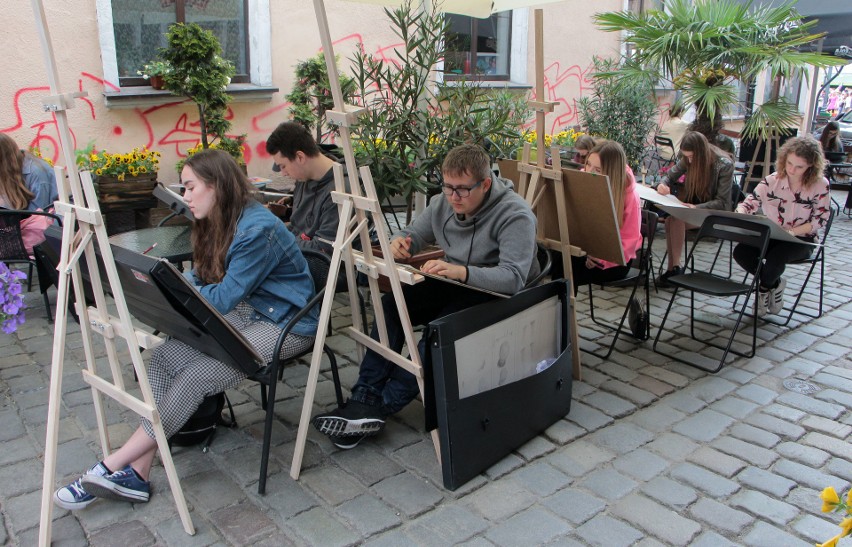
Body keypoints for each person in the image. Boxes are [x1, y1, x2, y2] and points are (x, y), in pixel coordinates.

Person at [53, 149, 318, 510]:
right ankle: (138, 472)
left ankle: (111, 464)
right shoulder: (217, 220)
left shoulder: (258, 229)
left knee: (195, 378)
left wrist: (178, 289)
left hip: (286, 322)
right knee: (159, 360)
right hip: (249, 310)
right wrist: (173, 285)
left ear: (217, 186)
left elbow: (221, 298)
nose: (186, 196)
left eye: (191, 187)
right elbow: (202, 278)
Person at [311, 144, 538, 449]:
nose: (453, 197)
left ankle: (380, 408)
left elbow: (513, 278)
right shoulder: (442, 203)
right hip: (456, 281)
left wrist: (461, 272)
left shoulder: (515, 214)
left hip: (495, 294)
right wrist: (398, 243)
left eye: (462, 190)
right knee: (392, 304)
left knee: (436, 333)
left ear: (485, 184)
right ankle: (365, 395)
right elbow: (412, 233)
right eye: (447, 187)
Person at [734, 136, 830, 317]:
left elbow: (821, 219)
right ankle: (774, 284)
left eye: (799, 166)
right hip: (773, 235)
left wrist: (792, 231)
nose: (792, 170)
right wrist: (740, 214)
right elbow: (749, 203)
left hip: (801, 239)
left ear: (811, 166)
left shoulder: (820, 185)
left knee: (775, 258)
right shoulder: (772, 180)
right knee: (741, 252)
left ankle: (762, 291)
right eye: (789, 163)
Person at [653, 131, 734, 286]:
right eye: (687, 157)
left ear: (701, 154)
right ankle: (674, 268)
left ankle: (674, 269)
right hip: (693, 210)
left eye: (692, 157)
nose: (689, 161)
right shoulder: (688, 159)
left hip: (714, 213)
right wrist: (663, 185)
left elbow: (722, 202)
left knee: (674, 220)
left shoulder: (724, 165)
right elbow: (669, 175)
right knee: (672, 219)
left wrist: (696, 207)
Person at [570, 141, 641, 292]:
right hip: (588, 250)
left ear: (611, 171)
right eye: (588, 164)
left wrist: (602, 258)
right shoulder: (586, 179)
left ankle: (564, 312)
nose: (588, 171)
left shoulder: (629, 195)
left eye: (597, 169)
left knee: (567, 267)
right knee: (553, 258)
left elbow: (629, 241)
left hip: (615, 260)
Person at [266, 121, 342, 255]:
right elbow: (297, 227)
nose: (283, 173)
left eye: (283, 166)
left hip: (321, 268)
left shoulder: (340, 190)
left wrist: (277, 238)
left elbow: (323, 248)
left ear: (300, 157)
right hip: (298, 257)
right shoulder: (304, 177)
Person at [0, 134, 58, 255]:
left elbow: (39, 220)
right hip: (22, 230)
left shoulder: (37, 173)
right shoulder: (12, 169)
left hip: (47, 236)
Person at [0, 133, 58, 212]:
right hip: (21, 218)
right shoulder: (10, 168)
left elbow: (39, 217)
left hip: (46, 220)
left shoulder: (37, 173)